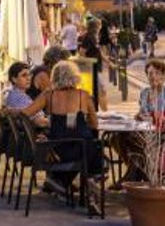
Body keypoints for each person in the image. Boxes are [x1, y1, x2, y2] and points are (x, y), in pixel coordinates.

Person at [19, 60, 104, 201]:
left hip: (57, 149)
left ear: (54, 77)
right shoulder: (84, 95)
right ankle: (92, 180)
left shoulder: (49, 95)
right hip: (81, 148)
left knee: (89, 146)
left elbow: (25, 114)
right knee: (94, 145)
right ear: (75, 76)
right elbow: (94, 125)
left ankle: (61, 182)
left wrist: (16, 114)